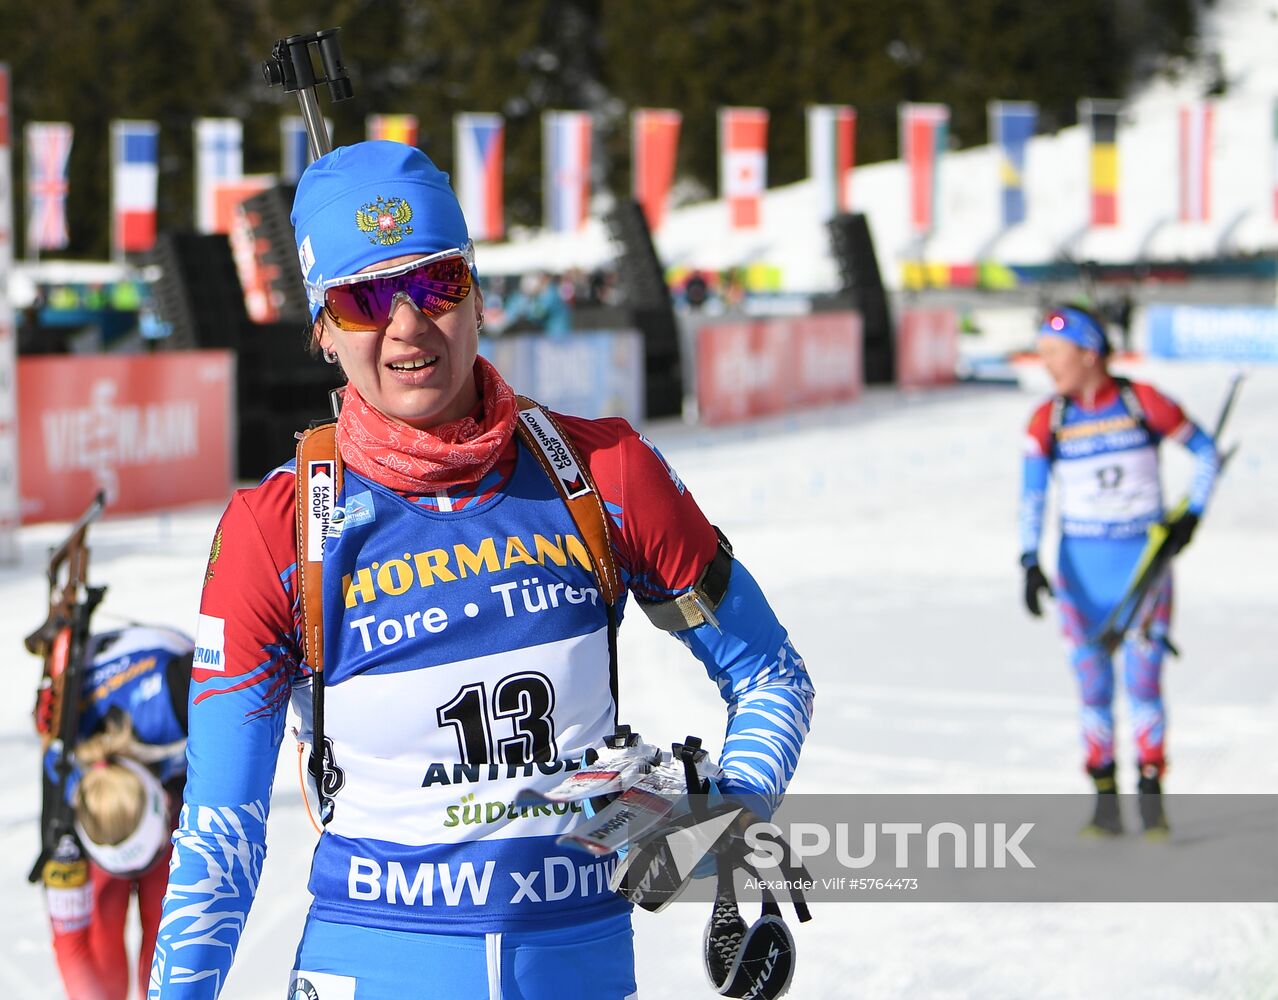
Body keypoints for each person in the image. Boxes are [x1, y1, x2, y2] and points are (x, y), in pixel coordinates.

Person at [150, 140, 813, 998]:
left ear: (478, 289)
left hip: (575, 967)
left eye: (435, 283)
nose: (407, 326)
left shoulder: (605, 473)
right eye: (364, 300)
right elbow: (219, 837)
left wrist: (735, 805)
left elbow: (770, 674)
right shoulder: (275, 532)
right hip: (373, 968)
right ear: (321, 328)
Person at [1018, 304, 1218, 836]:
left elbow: (1207, 453)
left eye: (1055, 354)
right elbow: (1032, 497)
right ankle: (1105, 804)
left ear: (1090, 352)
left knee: (1144, 683)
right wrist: (1029, 559)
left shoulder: (1142, 401)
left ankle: (1151, 802)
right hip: (1080, 579)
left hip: (1143, 572)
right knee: (1092, 690)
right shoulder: (1048, 420)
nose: (1047, 366)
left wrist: (1189, 517)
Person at [39, 625, 193, 1000]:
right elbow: (71, 944)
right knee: (101, 947)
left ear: (165, 802)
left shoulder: (175, 701)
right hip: (115, 756)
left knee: (165, 941)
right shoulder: (62, 795)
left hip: (154, 683)